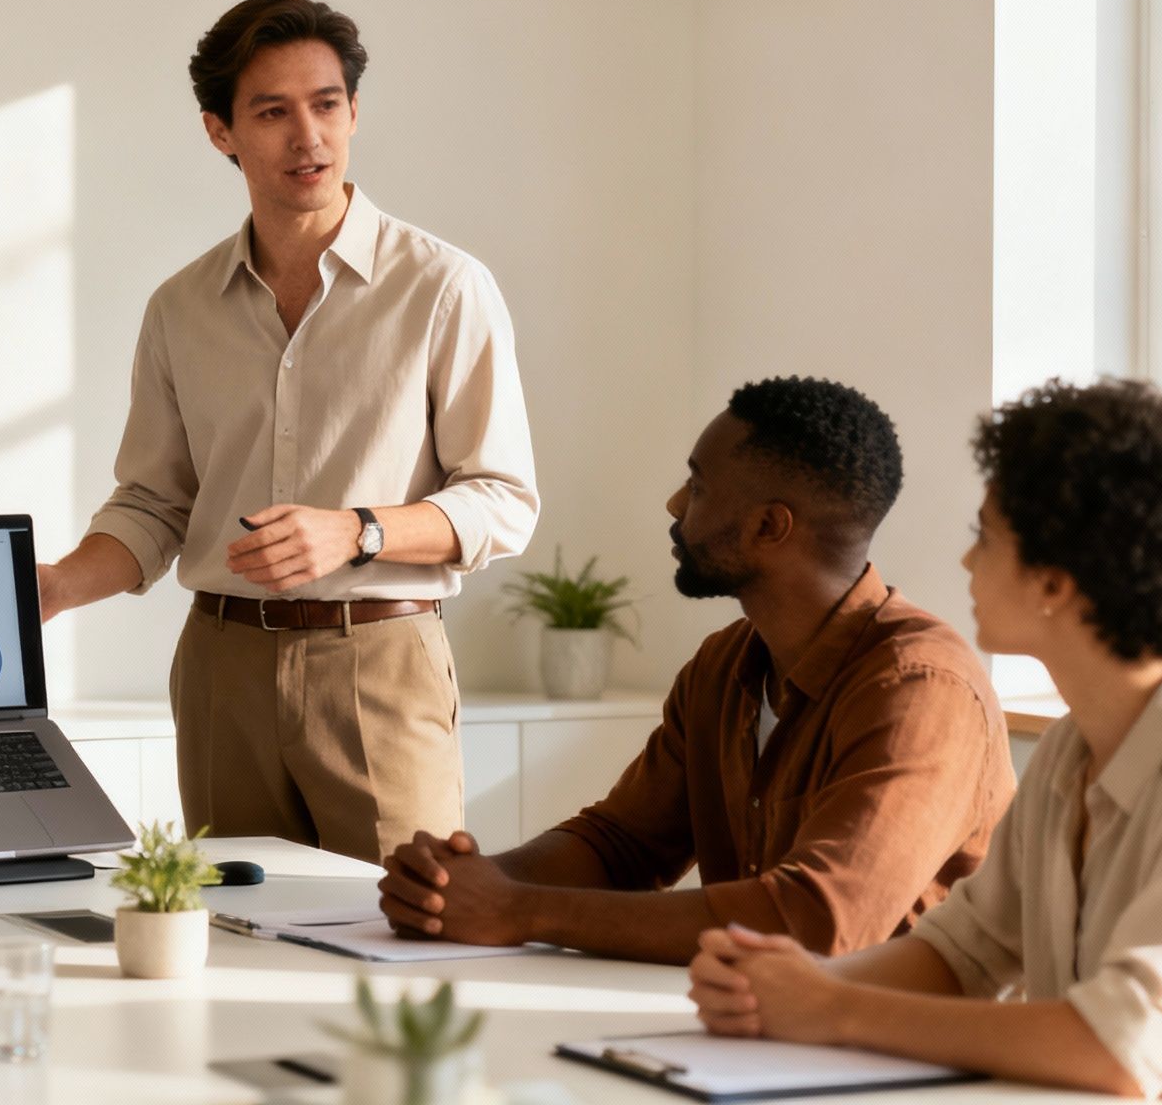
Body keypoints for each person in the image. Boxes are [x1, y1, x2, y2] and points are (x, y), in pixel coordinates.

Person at [35, 0, 539, 863]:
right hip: (220, 669)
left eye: (327, 105)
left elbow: (504, 501)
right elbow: (156, 503)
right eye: (272, 112)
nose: (307, 136)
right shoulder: (179, 308)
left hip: (379, 660)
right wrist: (58, 586)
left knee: (402, 930)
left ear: (353, 114)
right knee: (235, 937)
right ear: (220, 132)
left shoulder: (445, 288)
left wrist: (357, 531)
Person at [688, 379, 1162, 1102]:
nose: (967, 563)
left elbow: (1127, 1046)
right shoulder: (1070, 749)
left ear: (1053, 582)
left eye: (985, 537)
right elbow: (963, 953)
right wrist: (781, 984)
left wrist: (831, 1008)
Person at [379, 376, 1014, 963]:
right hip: (752, 1032)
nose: (675, 503)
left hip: (891, 1069)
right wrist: (461, 884)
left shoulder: (922, 688)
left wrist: (518, 911)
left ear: (770, 525)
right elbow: (621, 845)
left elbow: (818, 919)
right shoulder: (724, 663)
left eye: (699, 486)